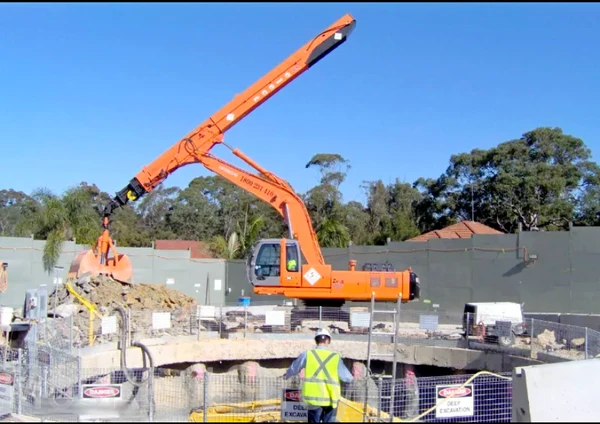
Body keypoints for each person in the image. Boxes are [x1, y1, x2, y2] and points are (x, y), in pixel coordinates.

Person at [284, 328, 354, 422]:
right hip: (330, 400)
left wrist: (286, 375)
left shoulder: (307, 355)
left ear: (316, 341)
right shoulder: (335, 357)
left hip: (313, 400)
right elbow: (347, 377)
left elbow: (294, 368)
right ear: (328, 340)